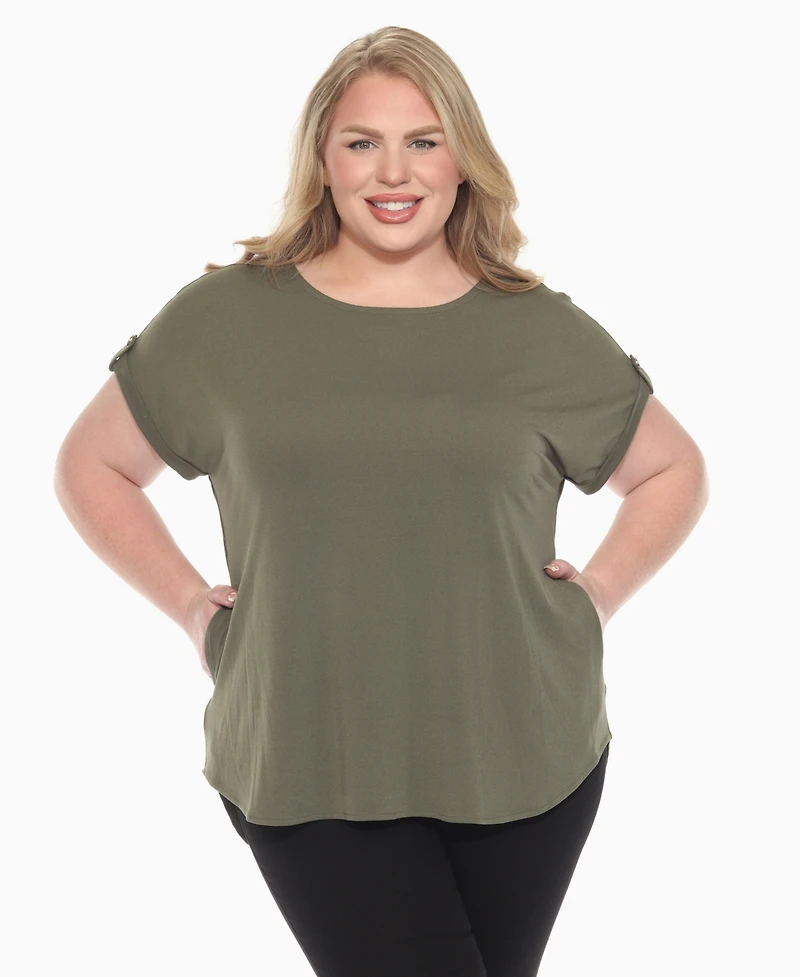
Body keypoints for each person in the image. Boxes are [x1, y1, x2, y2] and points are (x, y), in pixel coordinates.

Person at [53, 25, 710, 977]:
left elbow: (672, 468)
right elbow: (91, 465)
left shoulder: (538, 329)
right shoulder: (225, 320)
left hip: (524, 756)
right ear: (322, 158)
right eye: (362, 141)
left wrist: (599, 593)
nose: (392, 172)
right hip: (306, 757)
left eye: (424, 140)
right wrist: (192, 605)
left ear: (463, 159)